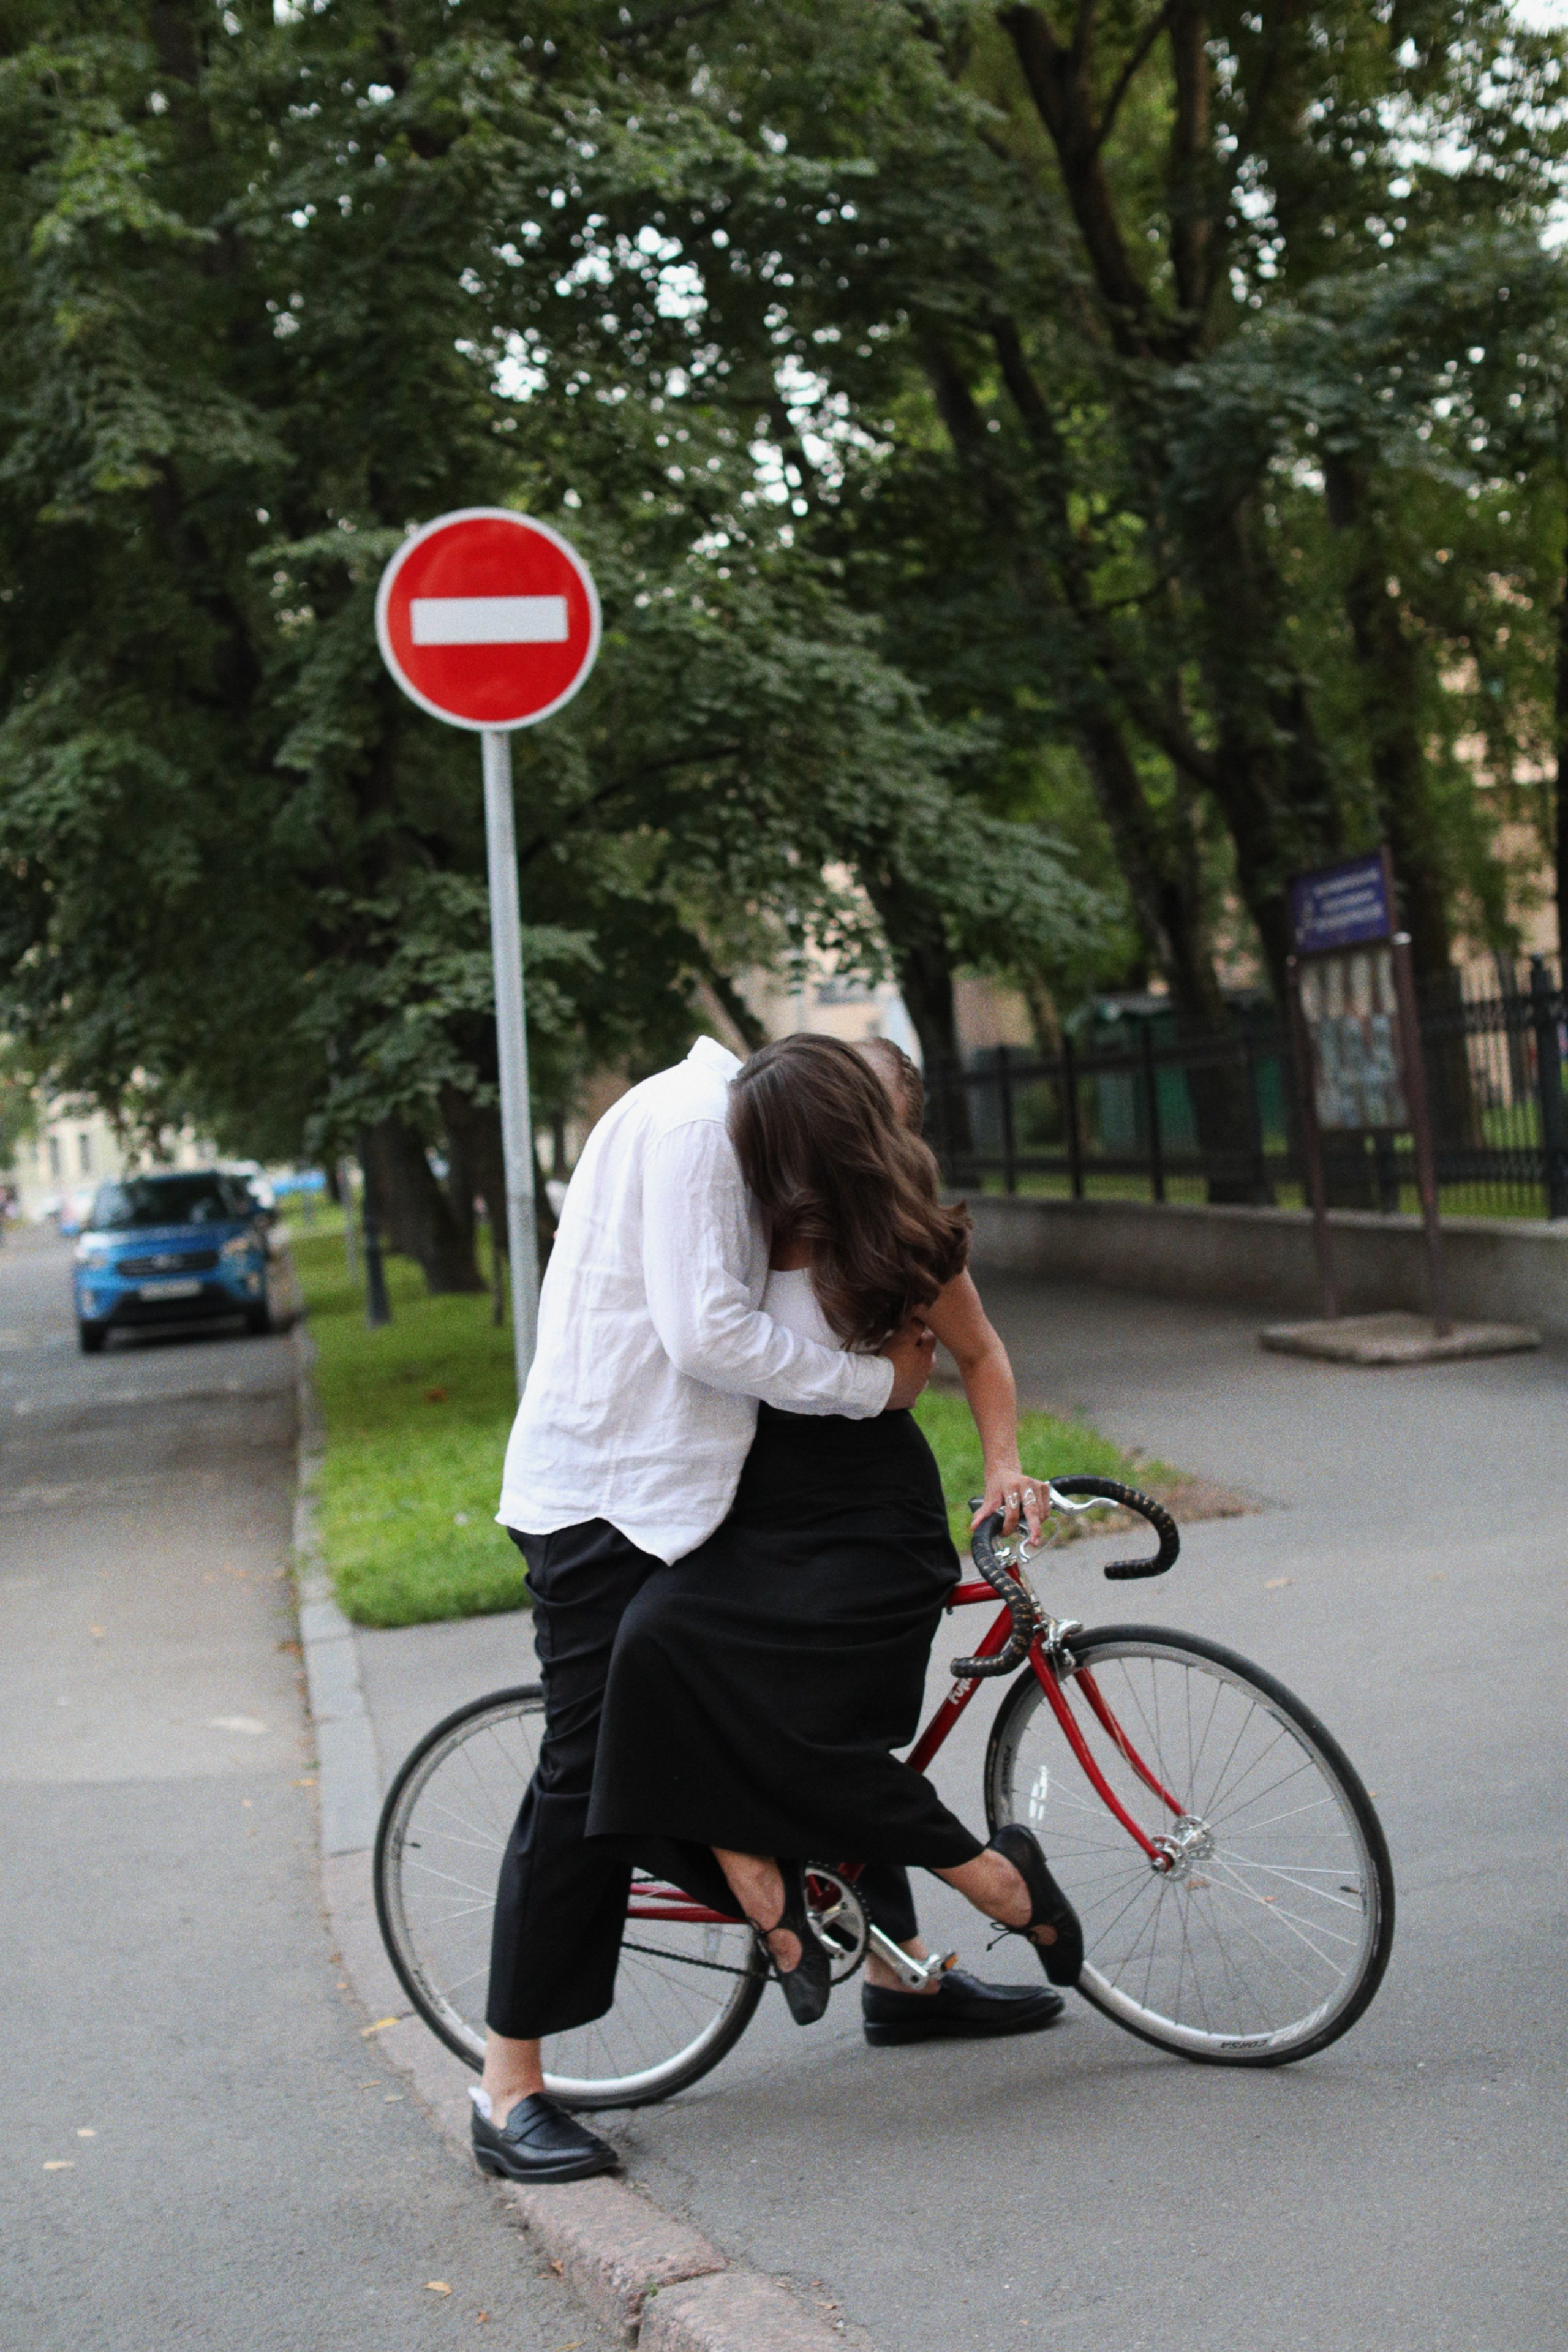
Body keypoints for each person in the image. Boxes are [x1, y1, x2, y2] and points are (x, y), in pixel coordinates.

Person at [472, 1035, 1047, 2189]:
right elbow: (707, 1337)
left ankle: (892, 1970)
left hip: (683, 1491)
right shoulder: (702, 1130)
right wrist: (877, 1386)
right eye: (860, 1137)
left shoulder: (748, 1132)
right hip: (611, 1497)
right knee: (584, 1770)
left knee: (798, 1717)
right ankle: (508, 2088)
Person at [586, 1034, 1084, 2033]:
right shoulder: (739, 1232)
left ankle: (994, 1885)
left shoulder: (899, 1241)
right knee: (650, 1646)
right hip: (760, 1508)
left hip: (871, 1517)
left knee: (804, 1738)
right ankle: (777, 1916)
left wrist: (1002, 1467)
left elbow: (982, 1355)